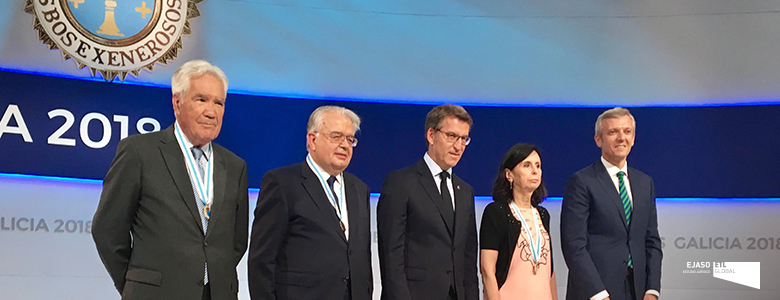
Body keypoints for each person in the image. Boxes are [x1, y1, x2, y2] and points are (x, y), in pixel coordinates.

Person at [92, 60, 248, 300]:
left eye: (219, 102)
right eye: (201, 99)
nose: (211, 111)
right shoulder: (139, 152)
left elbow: (236, 243)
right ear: (177, 103)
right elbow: (107, 229)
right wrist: (136, 282)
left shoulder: (235, 166)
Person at [248, 105, 373, 300]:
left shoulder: (359, 189)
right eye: (336, 136)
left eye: (350, 139)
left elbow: (361, 258)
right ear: (312, 140)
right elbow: (262, 261)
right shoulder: (282, 183)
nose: (345, 145)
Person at [377, 104, 479, 300]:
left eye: (464, 139)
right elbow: (391, 255)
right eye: (451, 136)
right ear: (431, 135)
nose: (458, 146)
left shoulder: (465, 191)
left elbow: (468, 258)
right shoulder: (401, 182)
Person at [560, 107, 662, 300]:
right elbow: (574, 246)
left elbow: (652, 241)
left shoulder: (644, 182)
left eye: (627, 131)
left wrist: (652, 290)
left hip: (637, 291)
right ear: (598, 140)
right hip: (595, 293)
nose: (621, 138)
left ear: (633, 138)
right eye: (613, 132)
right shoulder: (582, 181)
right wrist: (598, 294)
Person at [480, 143, 558, 300]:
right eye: (527, 165)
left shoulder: (543, 214)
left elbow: (549, 270)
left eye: (538, 165)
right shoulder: (496, 212)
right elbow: (487, 269)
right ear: (509, 175)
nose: (535, 171)